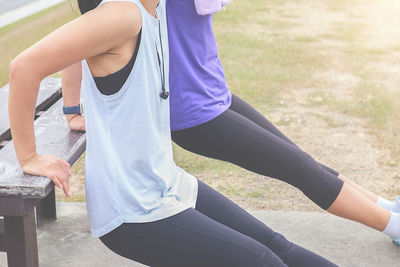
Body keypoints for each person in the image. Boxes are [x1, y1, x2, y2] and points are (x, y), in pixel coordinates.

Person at [7, 0, 339, 266]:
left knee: (277, 247)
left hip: (166, 182)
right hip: (134, 210)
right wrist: (29, 156)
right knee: (265, 260)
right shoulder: (122, 15)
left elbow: (74, 49)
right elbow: (24, 67)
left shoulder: (155, 9)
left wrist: (73, 108)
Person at [64, 0, 400, 246]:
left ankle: (388, 210)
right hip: (192, 113)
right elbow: (83, 32)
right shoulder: (128, 10)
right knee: (301, 169)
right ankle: (394, 227)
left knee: (303, 162)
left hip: (214, 94)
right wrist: (71, 109)